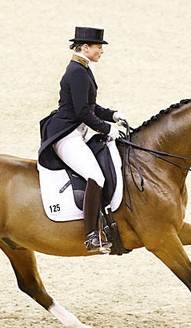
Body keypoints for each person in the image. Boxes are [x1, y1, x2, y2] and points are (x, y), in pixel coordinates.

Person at [38, 26, 126, 253]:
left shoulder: (83, 68)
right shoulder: (77, 71)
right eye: (99, 47)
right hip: (66, 135)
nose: (101, 51)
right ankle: (90, 236)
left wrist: (113, 115)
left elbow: (90, 106)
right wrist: (107, 129)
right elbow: (82, 113)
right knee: (95, 176)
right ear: (85, 47)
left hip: (78, 131)